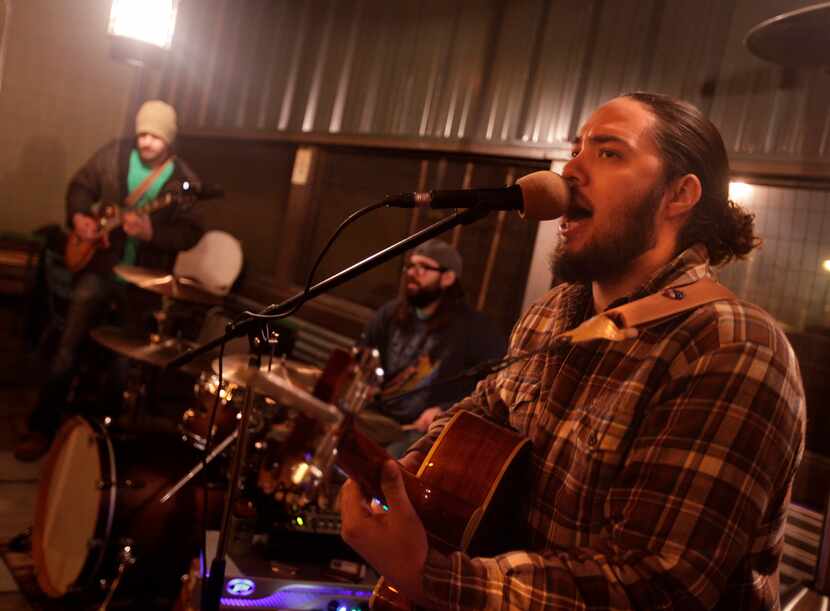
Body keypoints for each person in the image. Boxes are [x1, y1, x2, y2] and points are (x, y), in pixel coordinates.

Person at [340, 92, 806, 610]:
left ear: (679, 195)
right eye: (576, 148)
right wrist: (397, 481)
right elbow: (477, 416)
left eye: (609, 153)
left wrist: (428, 575)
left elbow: (655, 585)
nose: (569, 171)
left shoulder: (729, 347)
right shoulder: (553, 313)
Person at [15, 100, 205, 461]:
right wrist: (79, 217)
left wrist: (152, 232)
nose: (147, 141)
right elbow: (81, 186)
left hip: (144, 283)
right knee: (67, 349)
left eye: (155, 136)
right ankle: (42, 426)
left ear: (170, 138)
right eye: (143, 133)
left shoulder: (185, 181)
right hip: (100, 269)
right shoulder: (114, 155)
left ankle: (100, 444)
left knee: (124, 362)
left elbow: (192, 231)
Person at [359, 239, 507, 456]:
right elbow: (364, 351)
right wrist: (366, 380)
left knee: (388, 465)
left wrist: (445, 410)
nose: (412, 273)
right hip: (380, 414)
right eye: (410, 266)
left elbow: (495, 384)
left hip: (423, 429)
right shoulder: (390, 313)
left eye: (424, 267)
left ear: (447, 278)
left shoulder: (475, 329)